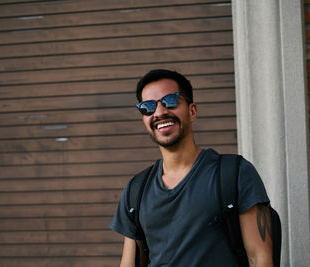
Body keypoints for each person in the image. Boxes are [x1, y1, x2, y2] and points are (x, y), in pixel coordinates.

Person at [110, 69, 273, 266]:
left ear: (192, 111)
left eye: (170, 100)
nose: (159, 113)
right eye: (148, 107)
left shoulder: (234, 173)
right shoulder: (136, 190)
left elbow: (259, 258)